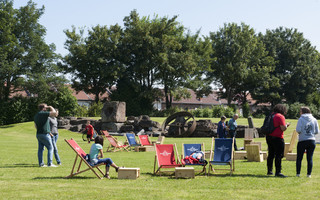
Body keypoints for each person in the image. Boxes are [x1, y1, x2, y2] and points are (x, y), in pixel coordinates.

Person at [266, 104, 290, 177]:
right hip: (278, 137)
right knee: (279, 155)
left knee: (271, 154)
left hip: (269, 136)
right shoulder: (280, 116)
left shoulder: (270, 115)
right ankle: (278, 172)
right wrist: (287, 125)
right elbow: (283, 128)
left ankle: (269, 171)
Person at [295, 106, 319, 178]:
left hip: (302, 140)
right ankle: (309, 174)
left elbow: (298, 130)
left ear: (303, 112)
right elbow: (317, 131)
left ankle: (298, 173)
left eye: (300, 111)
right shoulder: (314, 119)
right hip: (311, 140)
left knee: (299, 158)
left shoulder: (301, 119)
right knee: (310, 158)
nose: (300, 112)